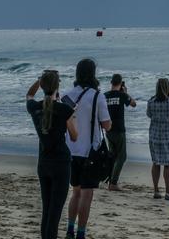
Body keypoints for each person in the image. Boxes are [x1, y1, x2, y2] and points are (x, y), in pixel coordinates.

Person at [61, 58, 111, 239]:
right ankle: (81, 233)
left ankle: (70, 229)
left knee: (75, 192)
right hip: (90, 151)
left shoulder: (67, 95)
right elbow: (106, 125)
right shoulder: (97, 96)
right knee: (87, 195)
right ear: (93, 74)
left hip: (70, 149)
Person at [27, 70, 79, 239]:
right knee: (55, 212)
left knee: (47, 209)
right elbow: (74, 136)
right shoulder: (65, 109)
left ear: (42, 86)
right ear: (58, 86)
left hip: (44, 162)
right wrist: (72, 116)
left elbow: (29, 94)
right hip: (61, 163)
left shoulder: (34, 107)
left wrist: (38, 80)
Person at [147, 77, 169, 199]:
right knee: (168, 165)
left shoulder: (151, 102)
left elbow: (149, 115)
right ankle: (168, 192)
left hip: (154, 135)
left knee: (156, 163)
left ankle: (156, 191)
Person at [104, 74, 136, 190]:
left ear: (111, 82)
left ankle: (108, 179)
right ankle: (113, 182)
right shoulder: (122, 95)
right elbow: (133, 104)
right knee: (121, 156)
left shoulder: (105, 95)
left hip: (108, 129)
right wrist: (126, 93)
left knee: (112, 155)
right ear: (121, 83)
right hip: (119, 129)